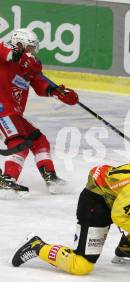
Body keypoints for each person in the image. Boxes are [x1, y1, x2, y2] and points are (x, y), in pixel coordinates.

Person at [10, 148, 130, 275]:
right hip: (97, 201)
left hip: (116, 198)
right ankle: (36, 246)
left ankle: (126, 247)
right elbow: (119, 214)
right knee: (81, 265)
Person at [0, 28, 78, 196]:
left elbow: (40, 84)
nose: (32, 52)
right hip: (2, 111)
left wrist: (58, 92)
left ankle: (50, 177)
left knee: (39, 140)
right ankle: (7, 180)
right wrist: (20, 56)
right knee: (19, 143)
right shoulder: (4, 50)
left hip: (13, 114)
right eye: (30, 48)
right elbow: (6, 52)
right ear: (19, 44)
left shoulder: (30, 67)